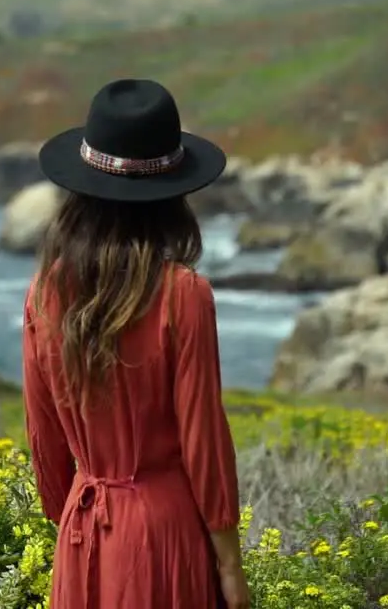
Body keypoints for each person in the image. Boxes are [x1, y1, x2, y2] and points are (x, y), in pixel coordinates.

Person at [22, 78, 250, 609]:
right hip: (163, 531)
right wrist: (230, 565)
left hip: (82, 530)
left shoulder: (44, 293)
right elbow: (205, 441)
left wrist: (73, 522)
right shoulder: (185, 296)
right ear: (171, 195)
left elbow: (44, 434)